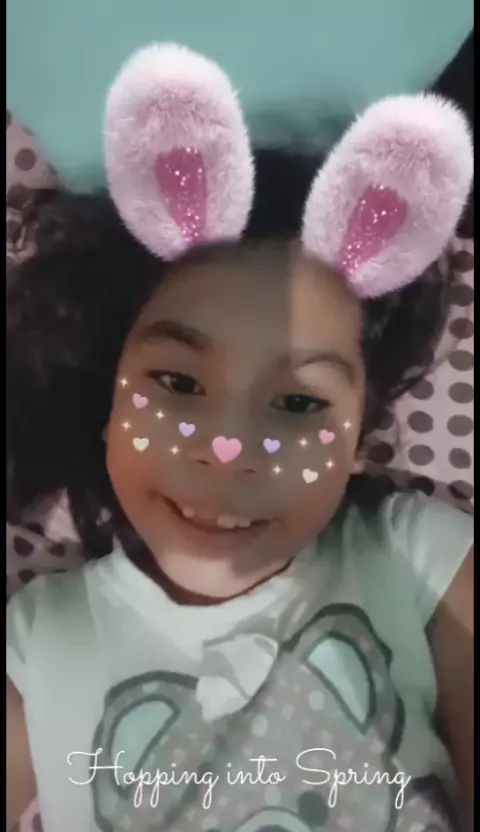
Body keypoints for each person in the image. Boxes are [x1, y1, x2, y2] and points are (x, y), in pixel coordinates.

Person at [6, 44, 474, 832]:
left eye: (297, 402)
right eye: (179, 382)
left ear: (360, 442)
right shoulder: (40, 640)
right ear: (109, 398)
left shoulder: (418, 561)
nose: (229, 449)